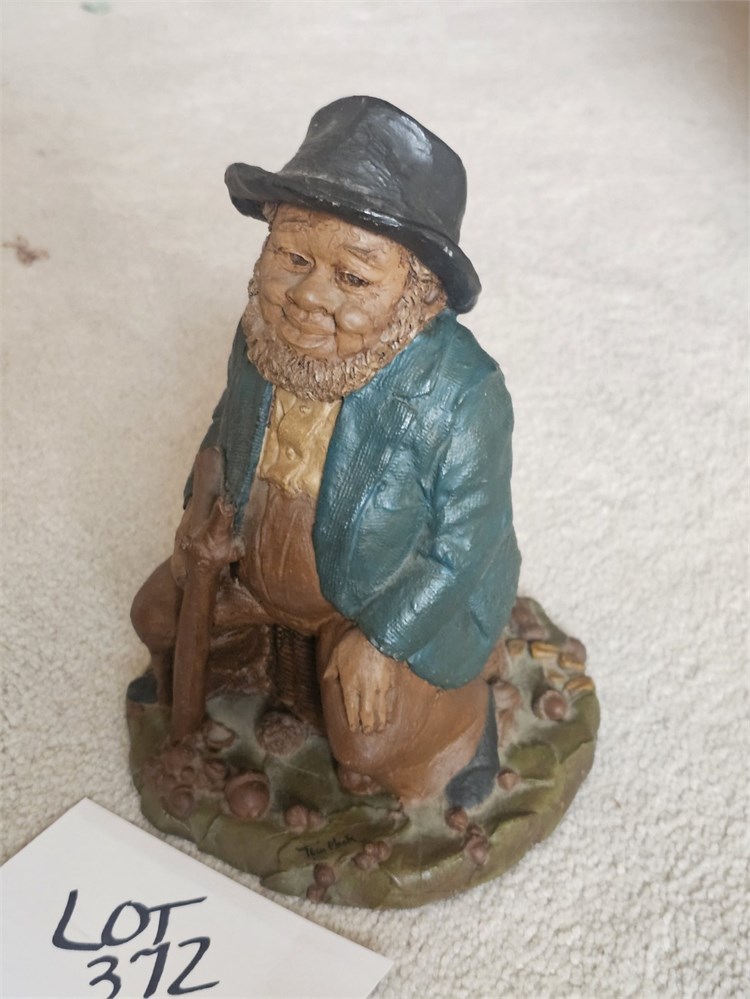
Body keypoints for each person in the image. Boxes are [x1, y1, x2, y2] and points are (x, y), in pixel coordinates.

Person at [131, 96, 521, 808]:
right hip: (252, 575)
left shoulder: (462, 391)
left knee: (368, 747)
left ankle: (463, 726)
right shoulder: (262, 332)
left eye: (354, 277)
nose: (308, 296)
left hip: (369, 601)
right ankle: (257, 675)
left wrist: (384, 638)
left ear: (420, 294)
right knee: (156, 616)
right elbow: (222, 432)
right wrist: (198, 513)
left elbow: (468, 544)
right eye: (294, 256)